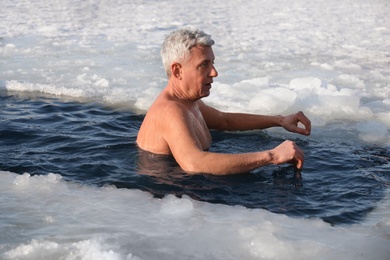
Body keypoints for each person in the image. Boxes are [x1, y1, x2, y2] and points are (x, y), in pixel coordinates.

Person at [136, 27, 311, 175]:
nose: (214, 73)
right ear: (177, 71)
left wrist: (279, 120)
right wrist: (272, 156)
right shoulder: (170, 111)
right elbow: (194, 163)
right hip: (174, 199)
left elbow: (223, 120)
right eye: (204, 65)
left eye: (213, 63)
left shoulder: (189, 102)